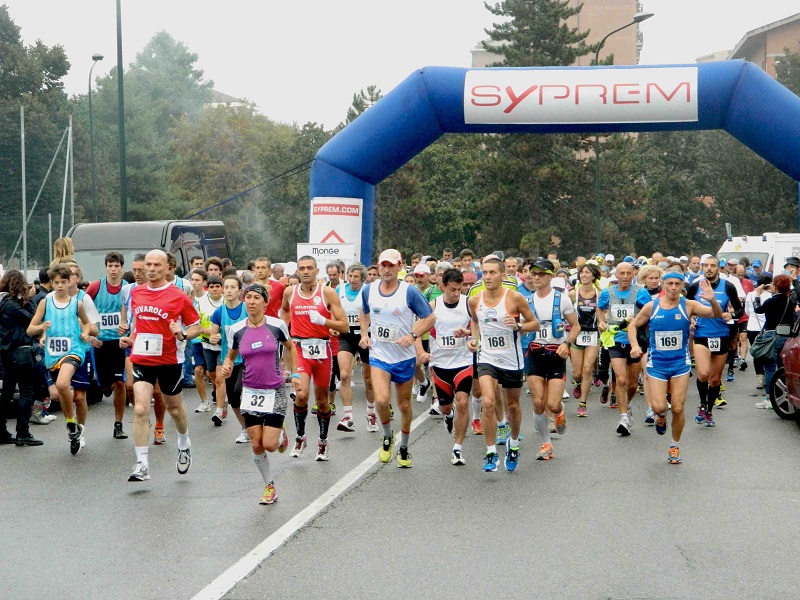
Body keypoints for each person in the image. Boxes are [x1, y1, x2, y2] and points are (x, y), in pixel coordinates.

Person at [120, 250, 201, 482]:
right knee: (139, 409)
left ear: (167, 268)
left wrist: (183, 333)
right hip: (143, 359)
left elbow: (196, 326)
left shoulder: (178, 295)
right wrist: (131, 338)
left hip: (169, 361)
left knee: (174, 409)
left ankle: (184, 442)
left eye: (157, 265)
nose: (152, 269)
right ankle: (142, 463)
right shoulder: (137, 293)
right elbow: (139, 325)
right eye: (148, 264)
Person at [628, 272, 722, 463]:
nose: (673, 287)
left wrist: (712, 301)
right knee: (659, 406)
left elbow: (716, 314)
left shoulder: (688, 305)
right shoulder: (652, 306)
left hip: (680, 363)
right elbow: (633, 325)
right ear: (663, 285)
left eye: (677, 284)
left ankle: (674, 446)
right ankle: (660, 416)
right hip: (657, 364)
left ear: (682, 286)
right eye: (669, 283)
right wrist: (635, 346)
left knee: (678, 408)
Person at [220, 284, 300, 504]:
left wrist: (295, 375)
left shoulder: (277, 325)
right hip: (250, 391)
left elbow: (291, 348)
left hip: (274, 390)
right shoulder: (236, 330)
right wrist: (227, 366)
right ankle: (269, 486)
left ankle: (281, 433)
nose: (252, 301)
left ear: (265, 302)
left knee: (270, 445)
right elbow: (231, 355)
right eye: (248, 298)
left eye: (257, 298)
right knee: (256, 444)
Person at [359, 249, 435, 468]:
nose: (386, 269)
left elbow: (429, 318)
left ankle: (404, 445)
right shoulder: (369, 290)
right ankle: (386, 435)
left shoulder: (409, 292)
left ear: (400, 267)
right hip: (379, 355)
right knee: (381, 400)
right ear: (378, 266)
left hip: (403, 358)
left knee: (403, 405)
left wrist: (412, 336)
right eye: (383, 265)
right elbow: (364, 312)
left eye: (391, 265)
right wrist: (365, 334)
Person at [467, 256, 539, 473]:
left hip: (511, 359)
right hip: (487, 358)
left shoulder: (514, 298)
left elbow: (534, 323)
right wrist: (474, 338)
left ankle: (513, 444)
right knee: (488, 402)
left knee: (513, 406)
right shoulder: (474, 300)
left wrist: (518, 326)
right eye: (484, 273)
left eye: (492, 273)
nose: (487, 277)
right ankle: (490, 452)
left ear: (502, 274)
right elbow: (475, 321)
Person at [281, 256, 348, 461]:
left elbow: (344, 325)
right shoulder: (290, 292)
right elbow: (284, 310)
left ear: (317, 271)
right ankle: (300, 437)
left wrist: (325, 321)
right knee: (301, 395)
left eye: (310, 268)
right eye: (302, 268)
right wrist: (285, 332)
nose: (306, 271)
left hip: (322, 349)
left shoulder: (326, 293)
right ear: (298, 272)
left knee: (321, 400)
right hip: (300, 349)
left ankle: (323, 441)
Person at [26, 264, 92, 454]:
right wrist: (42, 328)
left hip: (74, 350)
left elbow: (87, 324)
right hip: (53, 354)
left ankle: (74, 426)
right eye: (57, 282)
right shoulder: (45, 303)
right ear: (52, 283)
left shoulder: (76, 304)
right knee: (60, 392)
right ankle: (71, 423)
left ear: (69, 281)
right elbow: (30, 329)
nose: (61, 286)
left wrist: (86, 333)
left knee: (63, 385)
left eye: (64, 282)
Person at [521, 258, 579, 460]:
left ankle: (559, 411)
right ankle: (546, 444)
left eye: (541, 274)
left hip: (556, 354)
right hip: (534, 353)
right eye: (533, 273)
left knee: (553, 404)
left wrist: (567, 344)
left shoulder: (561, 299)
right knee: (538, 402)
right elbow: (521, 327)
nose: (536, 277)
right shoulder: (526, 301)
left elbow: (576, 325)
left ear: (549, 276)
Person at [417, 268, 472, 465]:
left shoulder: (468, 304)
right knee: (445, 406)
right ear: (442, 286)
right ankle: (448, 415)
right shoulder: (433, 306)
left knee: (463, 401)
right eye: (452, 289)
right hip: (440, 364)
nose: (456, 293)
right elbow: (415, 330)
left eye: (459, 289)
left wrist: (468, 332)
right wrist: (420, 352)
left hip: (463, 362)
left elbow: (479, 327)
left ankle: (457, 448)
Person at [685, 256, 742, 427]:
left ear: (719, 268)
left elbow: (739, 309)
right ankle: (702, 404)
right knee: (703, 374)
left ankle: (709, 411)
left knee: (715, 379)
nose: (709, 268)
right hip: (702, 334)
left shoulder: (728, 286)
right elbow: (686, 306)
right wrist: (691, 319)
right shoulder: (695, 286)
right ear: (702, 267)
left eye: (713, 266)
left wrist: (730, 314)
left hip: (721, 334)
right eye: (706, 266)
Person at [596, 261, 652, 436]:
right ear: (617, 275)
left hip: (635, 341)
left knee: (633, 383)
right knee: (620, 379)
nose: (625, 277)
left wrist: (636, 321)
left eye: (629, 273)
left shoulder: (640, 293)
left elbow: (649, 312)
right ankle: (623, 417)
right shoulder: (608, 292)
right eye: (622, 273)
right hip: (616, 339)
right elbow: (600, 308)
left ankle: (626, 403)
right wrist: (601, 321)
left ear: (633, 275)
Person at [85, 251, 129, 440]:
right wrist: (89, 336)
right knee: (105, 387)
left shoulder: (128, 288)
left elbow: (135, 313)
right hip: (99, 343)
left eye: (116, 266)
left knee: (121, 382)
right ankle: (105, 385)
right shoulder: (95, 287)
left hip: (119, 344)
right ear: (106, 268)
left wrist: (127, 327)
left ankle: (118, 424)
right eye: (110, 266)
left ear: (121, 268)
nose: (113, 269)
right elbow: (81, 312)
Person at [0, 270, 43, 446]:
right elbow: (34, 321)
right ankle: (22, 431)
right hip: (21, 350)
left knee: (7, 391)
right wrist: (31, 299)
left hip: (6, 353)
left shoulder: (3, 303)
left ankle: (1, 431)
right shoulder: (14, 306)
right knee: (26, 391)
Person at [334, 263, 376, 432]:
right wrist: (334, 324)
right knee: (344, 375)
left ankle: (371, 413)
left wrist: (366, 330)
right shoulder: (339, 290)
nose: (352, 280)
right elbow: (333, 309)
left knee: (369, 380)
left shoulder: (369, 291)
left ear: (362, 278)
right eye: (350, 276)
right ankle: (348, 416)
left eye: (356, 277)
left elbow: (373, 313)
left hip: (365, 336)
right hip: (346, 335)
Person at [209, 275, 250, 443]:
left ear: (240, 291)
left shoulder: (247, 309)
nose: (229, 290)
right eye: (226, 287)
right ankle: (245, 428)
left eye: (233, 287)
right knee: (233, 398)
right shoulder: (219, 312)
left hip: (249, 359)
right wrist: (213, 337)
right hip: (229, 360)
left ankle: (257, 423)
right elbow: (213, 334)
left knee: (239, 391)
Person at [753, 274, 796, 408]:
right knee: (781, 368)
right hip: (786, 337)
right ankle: (783, 394)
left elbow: (757, 310)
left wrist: (757, 295)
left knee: (770, 368)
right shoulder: (790, 301)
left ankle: (770, 398)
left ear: (776, 286)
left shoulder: (771, 301)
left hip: (771, 336)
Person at [568, 263, 602, 417]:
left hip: (593, 334)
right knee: (577, 372)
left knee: (587, 369)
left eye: (587, 273)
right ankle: (577, 383)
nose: (584, 275)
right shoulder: (573, 294)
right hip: (577, 335)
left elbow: (603, 313)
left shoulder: (600, 294)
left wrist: (603, 322)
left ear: (594, 276)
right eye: (582, 273)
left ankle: (582, 404)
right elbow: (566, 312)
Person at [197, 275, 224, 414]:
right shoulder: (201, 302)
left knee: (220, 377)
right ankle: (218, 393)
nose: (214, 290)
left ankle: (220, 409)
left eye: (217, 287)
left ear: (222, 288)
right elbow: (196, 323)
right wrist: (205, 330)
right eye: (211, 287)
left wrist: (220, 334)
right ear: (208, 288)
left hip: (222, 345)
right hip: (207, 344)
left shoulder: (227, 301)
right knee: (212, 375)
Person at [745, 273, 772, 393]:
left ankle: (759, 379)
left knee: (756, 353)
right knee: (767, 353)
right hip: (766, 328)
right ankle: (767, 377)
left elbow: (747, 311)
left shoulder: (750, 295)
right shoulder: (770, 296)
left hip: (752, 327)